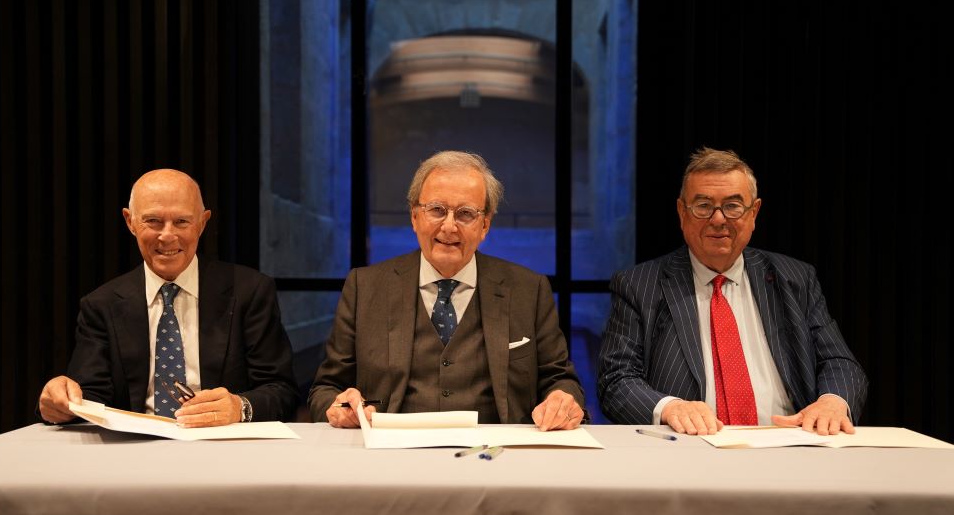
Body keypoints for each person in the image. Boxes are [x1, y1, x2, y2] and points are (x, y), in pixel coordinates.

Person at [598, 147, 867, 435]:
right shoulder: (639, 285)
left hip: (789, 442)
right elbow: (616, 380)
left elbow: (840, 362)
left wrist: (832, 401)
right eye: (703, 205)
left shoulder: (795, 278)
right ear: (681, 212)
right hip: (689, 449)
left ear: (754, 212)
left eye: (733, 206)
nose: (718, 219)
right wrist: (670, 407)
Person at [309, 150, 585, 430]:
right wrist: (340, 407)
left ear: (485, 225)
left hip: (498, 456)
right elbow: (326, 388)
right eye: (437, 210)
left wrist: (562, 400)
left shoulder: (529, 290)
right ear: (415, 217)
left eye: (465, 214)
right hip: (390, 455)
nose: (449, 226)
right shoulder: (364, 287)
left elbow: (560, 380)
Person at [38, 169, 300, 427]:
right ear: (130, 222)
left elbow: (282, 391)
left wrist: (238, 407)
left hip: (222, 449)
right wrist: (62, 404)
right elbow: (89, 399)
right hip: (133, 454)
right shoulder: (101, 305)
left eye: (182, 222)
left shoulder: (250, 292)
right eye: (152, 221)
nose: (167, 235)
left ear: (202, 223)